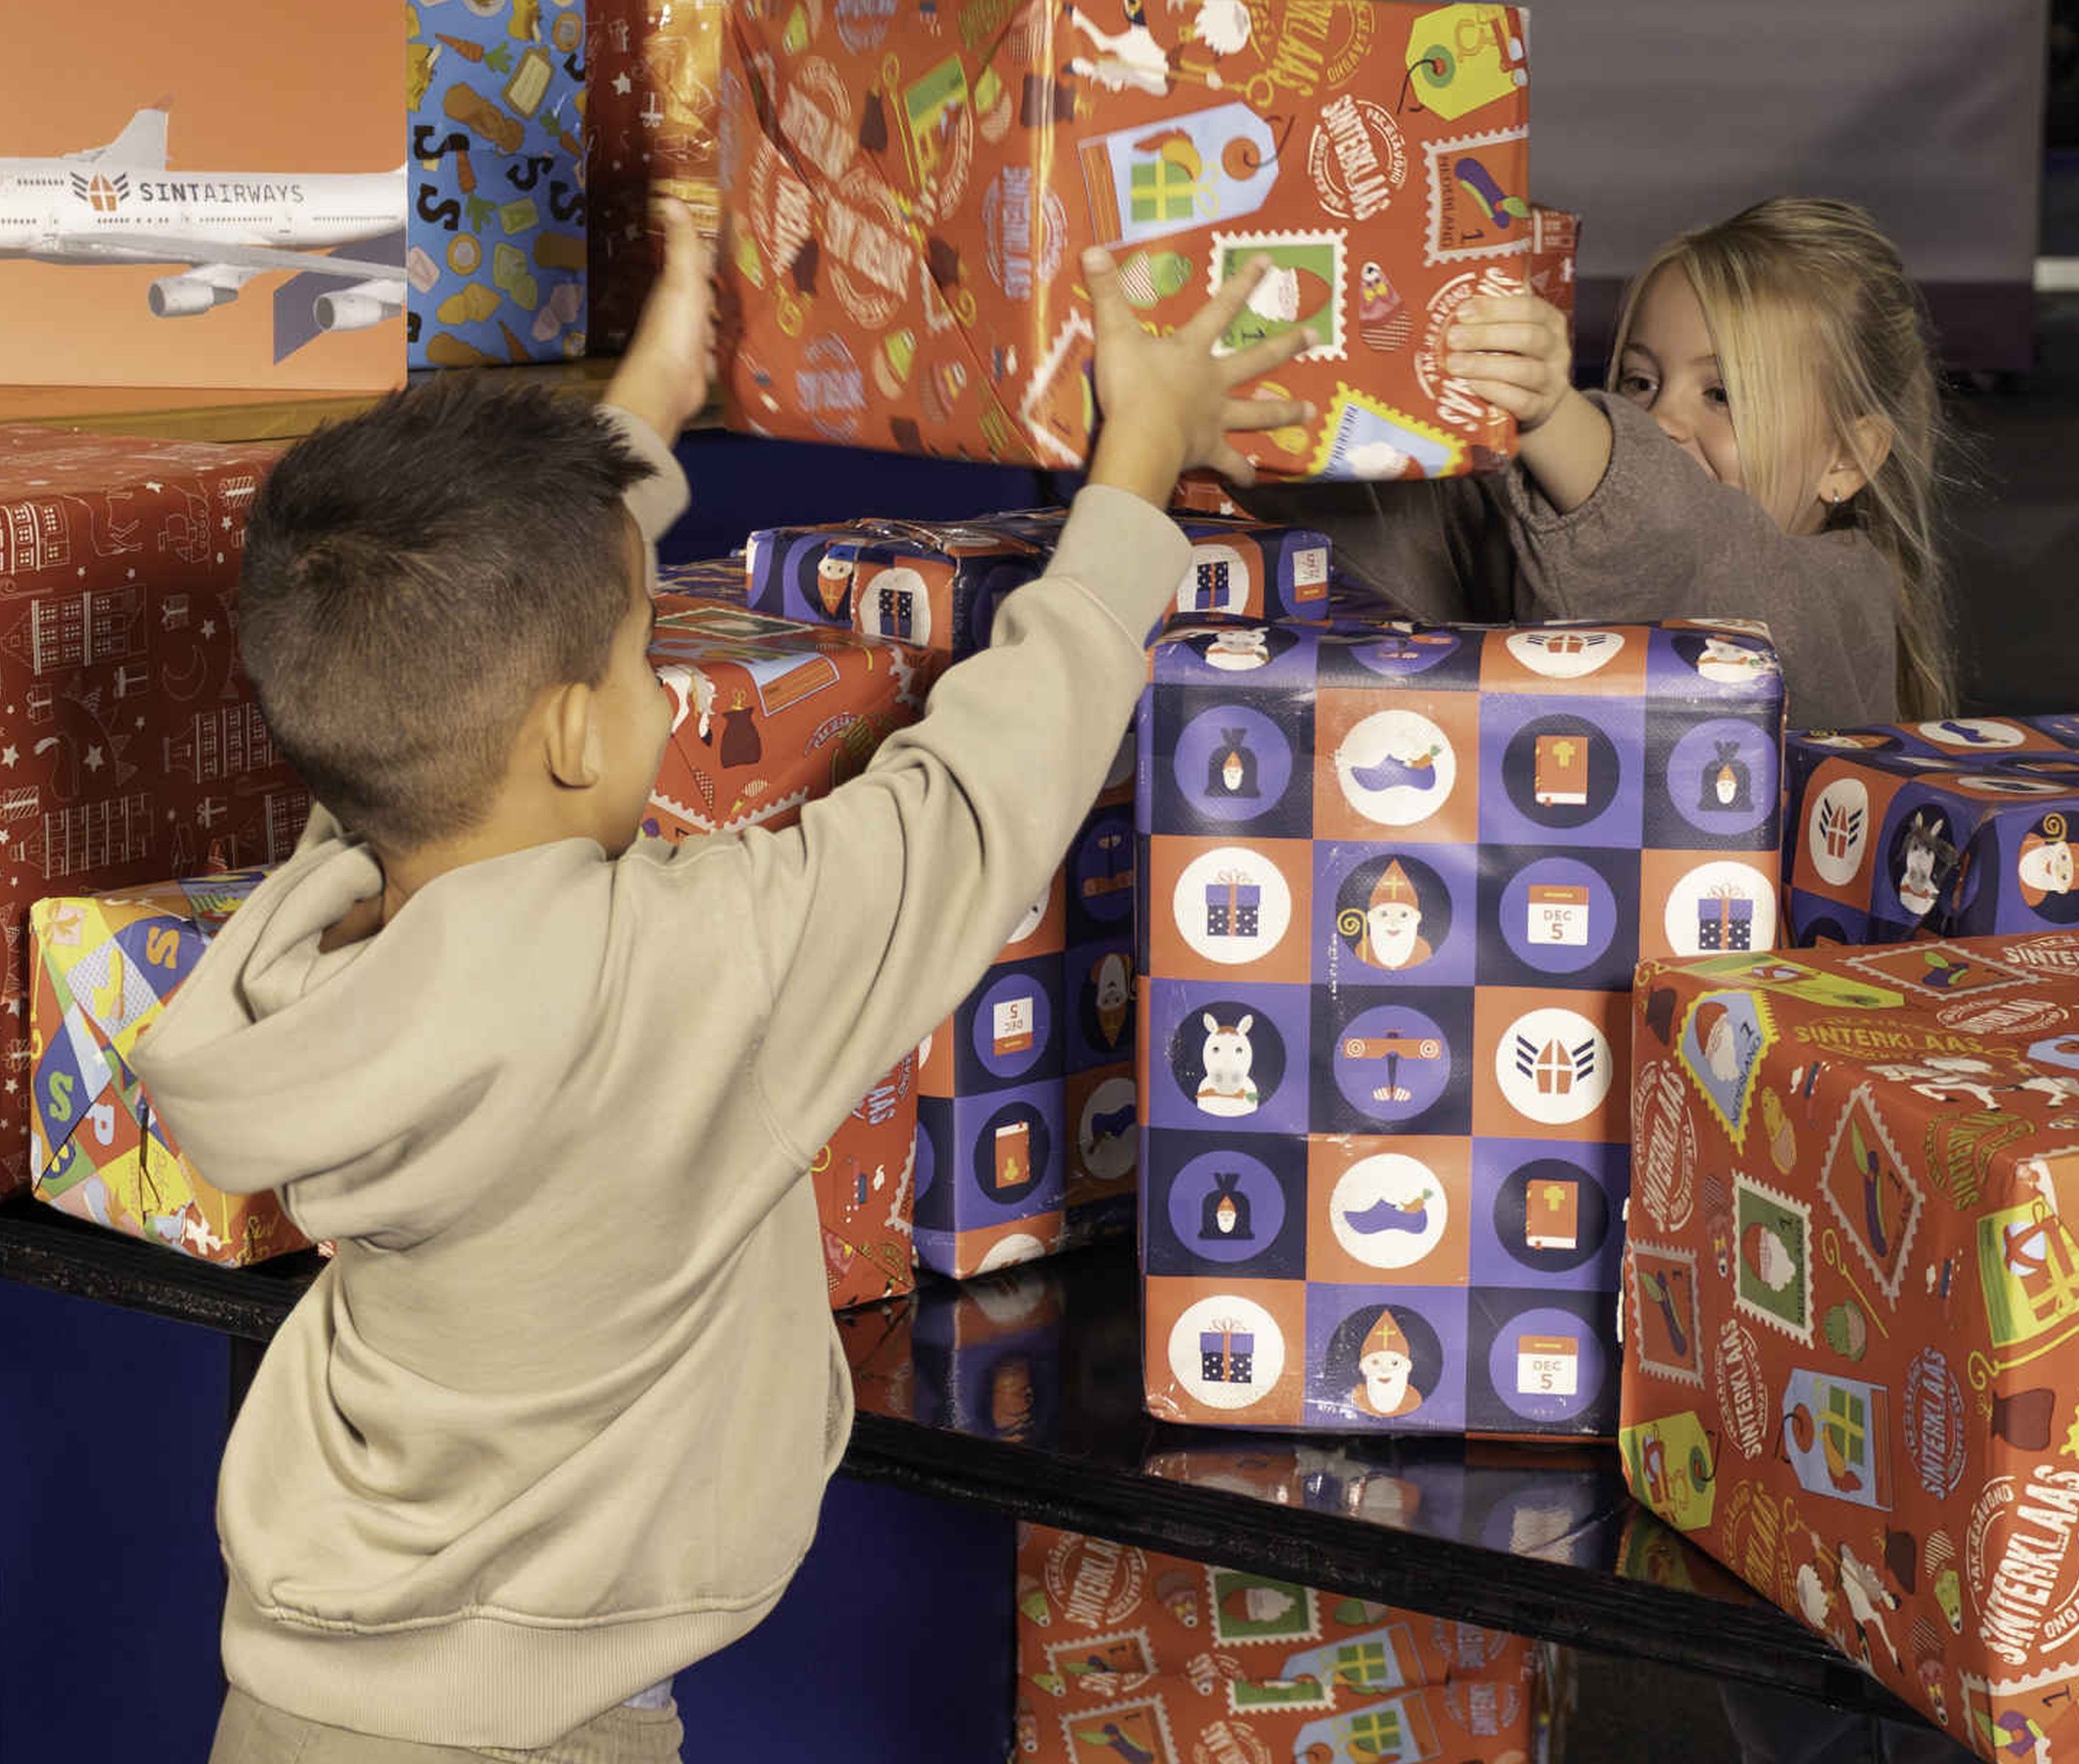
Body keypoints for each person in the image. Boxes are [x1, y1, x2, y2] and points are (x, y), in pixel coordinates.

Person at [140, 212, 1306, 1763]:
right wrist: (1136, 464)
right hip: (546, 1736)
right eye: (640, 658)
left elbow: (445, 656)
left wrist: (646, 411)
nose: (672, 687)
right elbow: (973, 800)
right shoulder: (688, 964)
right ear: (570, 735)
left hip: (294, 1698)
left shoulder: (323, 929)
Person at [1244, 195, 1958, 729]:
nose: (1662, 421)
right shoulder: (1550, 541)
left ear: (1849, 457)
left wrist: (1552, 411)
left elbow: (1694, 544)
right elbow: (1408, 532)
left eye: (1722, 395)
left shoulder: (1841, 602)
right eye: (1639, 383)